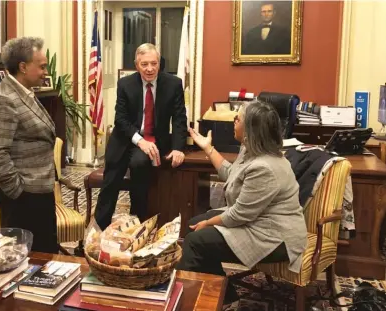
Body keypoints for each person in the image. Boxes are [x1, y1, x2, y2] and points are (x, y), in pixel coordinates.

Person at [177, 100, 307, 304]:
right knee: (194, 223)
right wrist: (208, 148)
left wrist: (208, 224)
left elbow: (239, 215)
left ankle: (196, 301)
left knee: (196, 240)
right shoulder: (250, 150)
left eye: (238, 119)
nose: (233, 121)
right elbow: (231, 174)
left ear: (250, 131)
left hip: (276, 237)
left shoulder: (265, 167)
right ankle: (225, 296)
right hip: (258, 222)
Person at [94, 43, 188, 230]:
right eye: (144, 64)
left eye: (154, 63)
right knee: (110, 184)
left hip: (153, 139)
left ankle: (136, 226)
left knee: (140, 167)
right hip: (124, 139)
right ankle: (98, 231)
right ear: (137, 65)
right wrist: (139, 140)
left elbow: (179, 118)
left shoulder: (173, 84)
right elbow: (120, 120)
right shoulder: (125, 84)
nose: (150, 68)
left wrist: (178, 147)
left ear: (159, 64)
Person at [0, 37, 59, 253]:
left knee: (45, 253)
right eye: (42, 66)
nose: (46, 72)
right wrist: (17, 191)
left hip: (37, 189)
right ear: (23, 67)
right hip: (24, 195)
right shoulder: (4, 99)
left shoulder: (24, 92)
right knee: (26, 258)